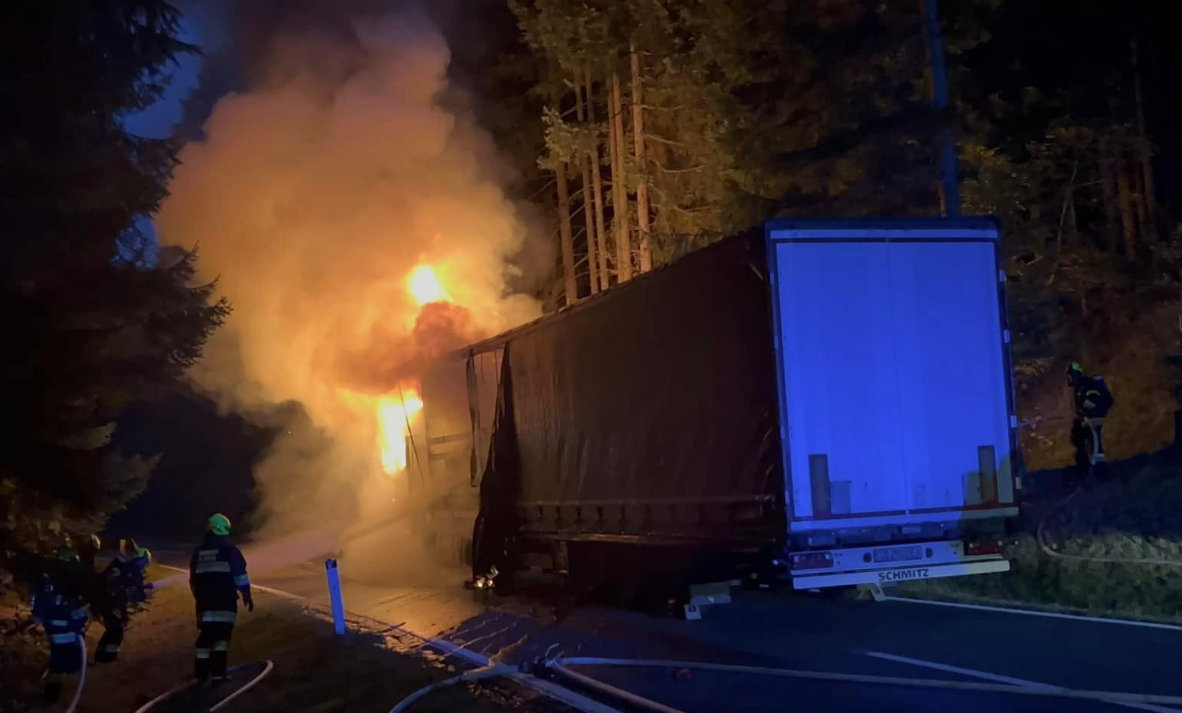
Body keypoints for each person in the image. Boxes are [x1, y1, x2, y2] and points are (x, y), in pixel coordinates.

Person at [189, 513, 253, 683]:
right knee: (221, 638)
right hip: (225, 602)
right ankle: (218, 675)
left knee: (205, 638)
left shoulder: (199, 552)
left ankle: (201, 676)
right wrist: (246, 594)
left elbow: (193, 580)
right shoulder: (229, 550)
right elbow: (240, 575)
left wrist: (199, 598)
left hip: (204, 604)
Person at [30, 537, 90, 703]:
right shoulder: (65, 582)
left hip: (62, 629)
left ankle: (53, 689)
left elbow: (39, 602)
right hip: (68, 629)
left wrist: (38, 617)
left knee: (62, 660)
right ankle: (51, 696)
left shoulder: (49, 581)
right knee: (61, 662)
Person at [93, 538, 154, 663]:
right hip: (109, 602)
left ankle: (104, 654)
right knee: (116, 629)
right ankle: (107, 657)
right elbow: (116, 585)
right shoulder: (123, 567)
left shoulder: (122, 565)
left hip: (110, 601)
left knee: (115, 628)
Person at [1066, 361, 1115, 485]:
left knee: (1095, 447)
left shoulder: (1086, 385)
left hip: (1093, 420)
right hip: (1087, 421)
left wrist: (1088, 411)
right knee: (1089, 446)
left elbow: (1096, 401)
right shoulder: (1080, 387)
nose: (1069, 379)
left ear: (1075, 374)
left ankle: (1101, 475)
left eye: (1070, 375)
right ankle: (1091, 473)